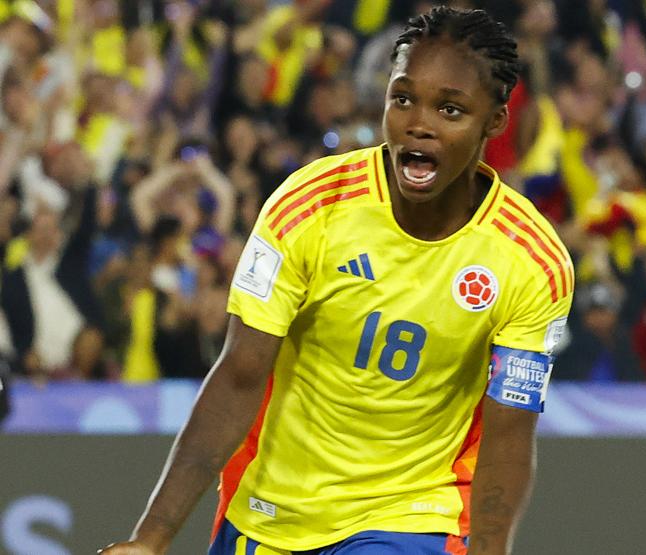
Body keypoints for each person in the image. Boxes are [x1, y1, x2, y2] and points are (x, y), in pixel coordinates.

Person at [101, 7, 573, 555]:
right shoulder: (309, 206)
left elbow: (509, 432)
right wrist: (151, 538)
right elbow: (238, 375)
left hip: (413, 515)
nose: (418, 123)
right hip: (272, 514)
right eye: (403, 99)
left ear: (494, 121)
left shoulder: (532, 260)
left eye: (449, 109)